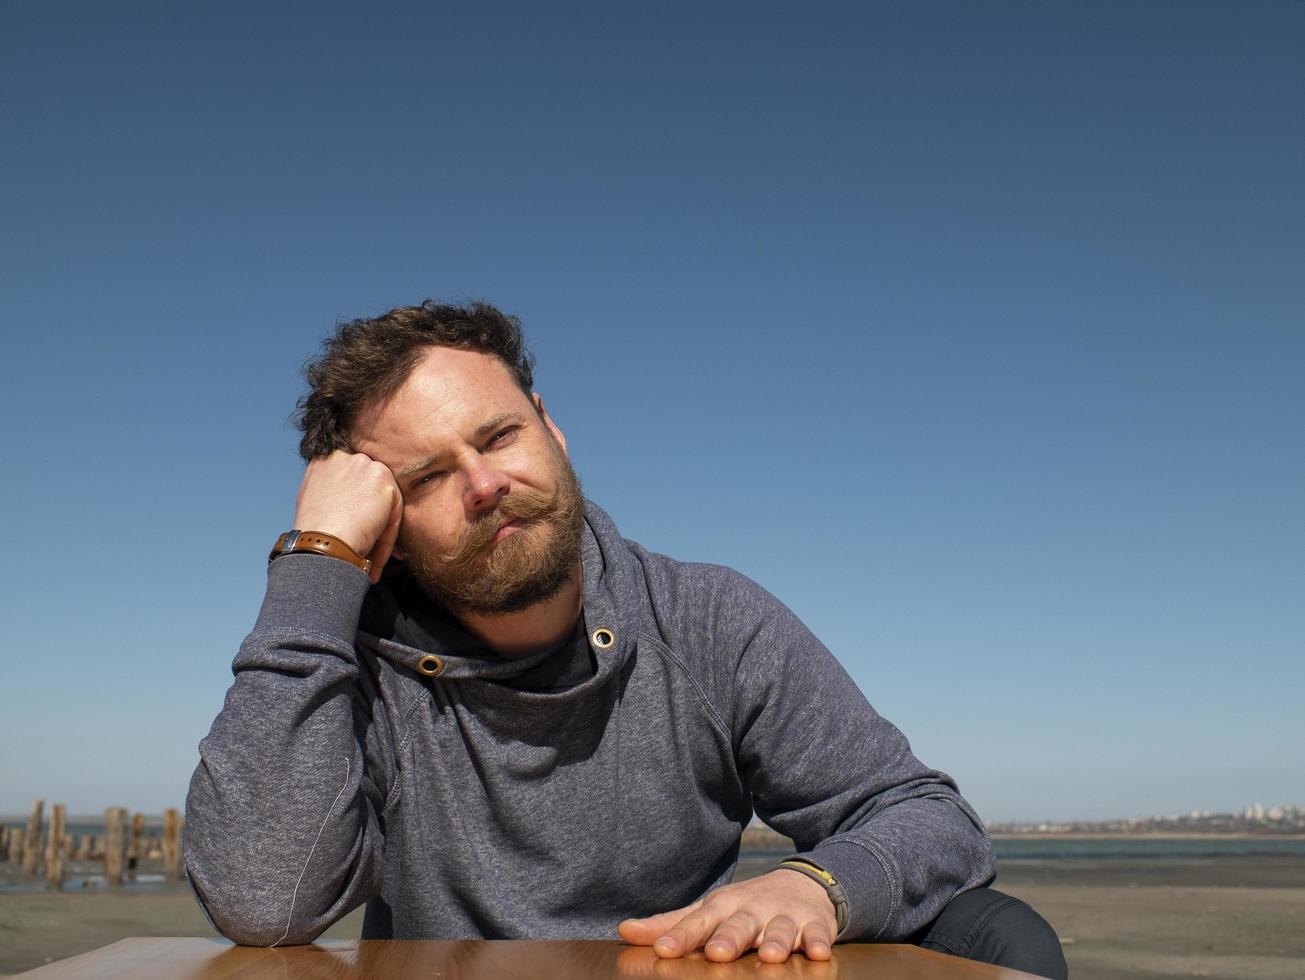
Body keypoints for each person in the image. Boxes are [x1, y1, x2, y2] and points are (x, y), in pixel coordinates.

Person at [184, 300, 1067, 977]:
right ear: (386, 525)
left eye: (499, 436)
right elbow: (266, 901)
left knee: (996, 936)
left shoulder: (708, 620)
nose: (485, 484)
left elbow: (930, 820)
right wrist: (316, 566)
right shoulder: (356, 674)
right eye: (425, 478)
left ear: (550, 427)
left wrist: (815, 887)